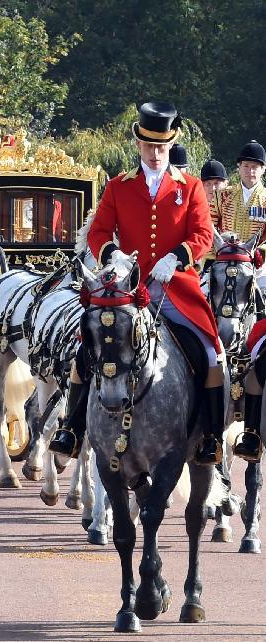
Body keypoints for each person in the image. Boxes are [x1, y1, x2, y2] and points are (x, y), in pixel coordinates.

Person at [50, 101, 225, 465]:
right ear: (139, 146)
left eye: (162, 148)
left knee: (212, 354)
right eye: (150, 147)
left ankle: (210, 438)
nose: (156, 154)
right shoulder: (118, 187)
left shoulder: (190, 187)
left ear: (170, 146)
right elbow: (98, 231)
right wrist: (111, 253)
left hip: (176, 288)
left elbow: (203, 234)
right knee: (88, 348)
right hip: (127, 292)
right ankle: (72, 428)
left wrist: (177, 257)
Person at [213, 140, 266, 242]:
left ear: (263, 169)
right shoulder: (222, 195)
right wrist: (211, 256)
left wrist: (262, 253)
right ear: (239, 167)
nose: (250, 171)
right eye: (246, 166)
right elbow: (209, 226)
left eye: (254, 167)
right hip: (225, 254)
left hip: (256, 256)